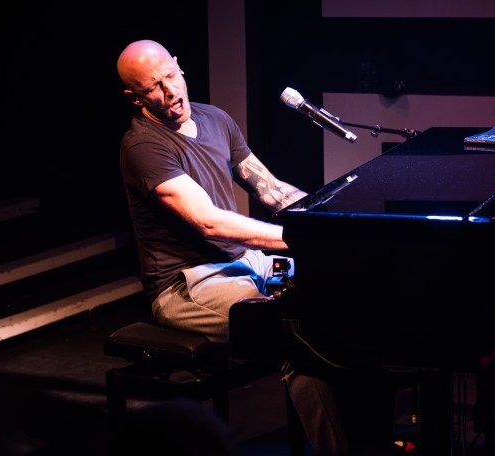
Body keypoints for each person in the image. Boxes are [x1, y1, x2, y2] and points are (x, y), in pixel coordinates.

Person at [116, 39, 397, 455]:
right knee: (298, 332)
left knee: (350, 295)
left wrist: (330, 218)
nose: (170, 91)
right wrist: (299, 238)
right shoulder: (143, 146)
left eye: (171, 76)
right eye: (154, 87)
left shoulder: (215, 119)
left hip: (246, 262)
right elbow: (209, 222)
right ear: (134, 97)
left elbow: (270, 189)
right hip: (187, 282)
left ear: (179, 65)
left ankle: (375, 441)